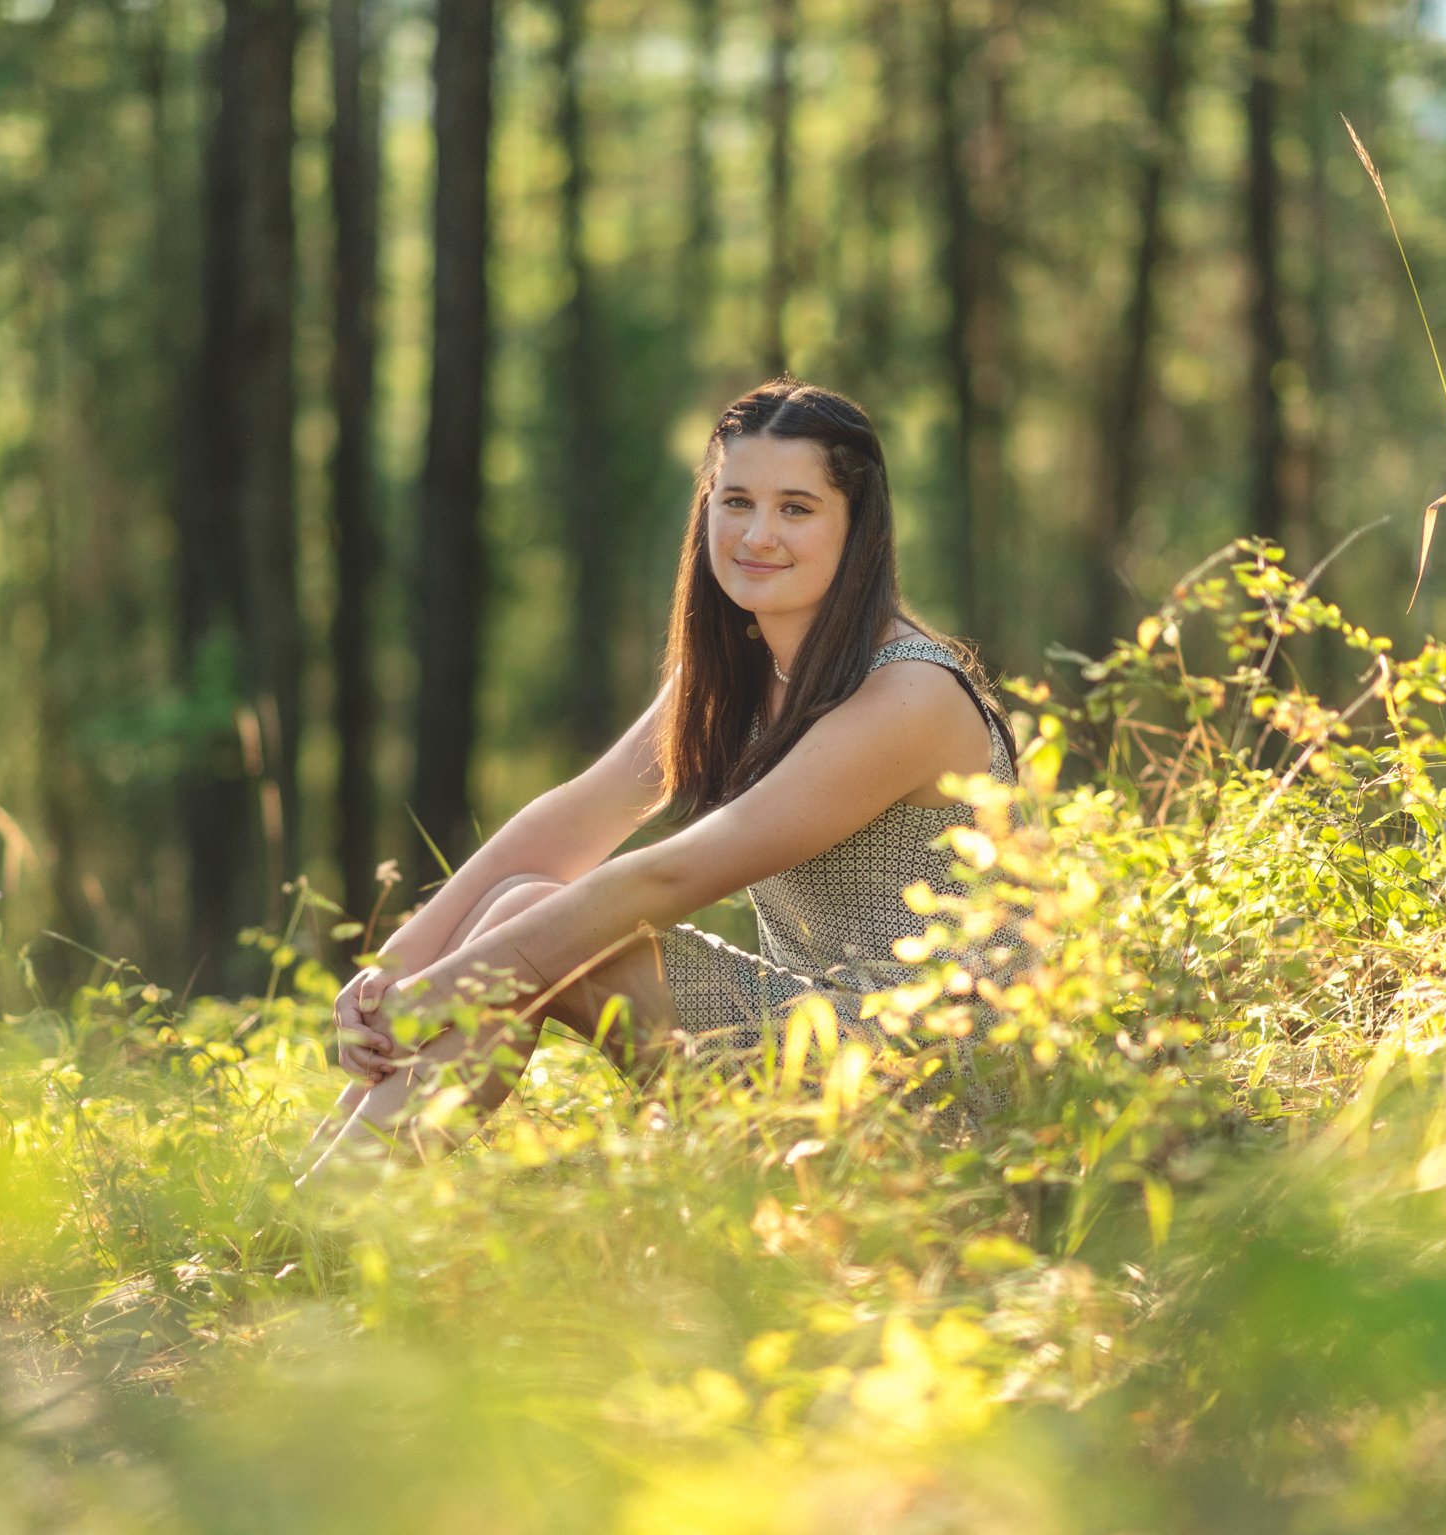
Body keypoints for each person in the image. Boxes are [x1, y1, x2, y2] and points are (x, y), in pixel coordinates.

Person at [297, 379, 1016, 1178]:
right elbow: (570, 821)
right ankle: (316, 1203)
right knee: (523, 905)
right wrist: (391, 976)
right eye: (736, 500)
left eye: (797, 508)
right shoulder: (744, 672)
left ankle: (327, 1213)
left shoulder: (905, 695)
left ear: (858, 528)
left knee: (537, 924)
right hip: (810, 1034)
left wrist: (434, 997)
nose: (758, 533)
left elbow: (675, 872)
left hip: (930, 1087)